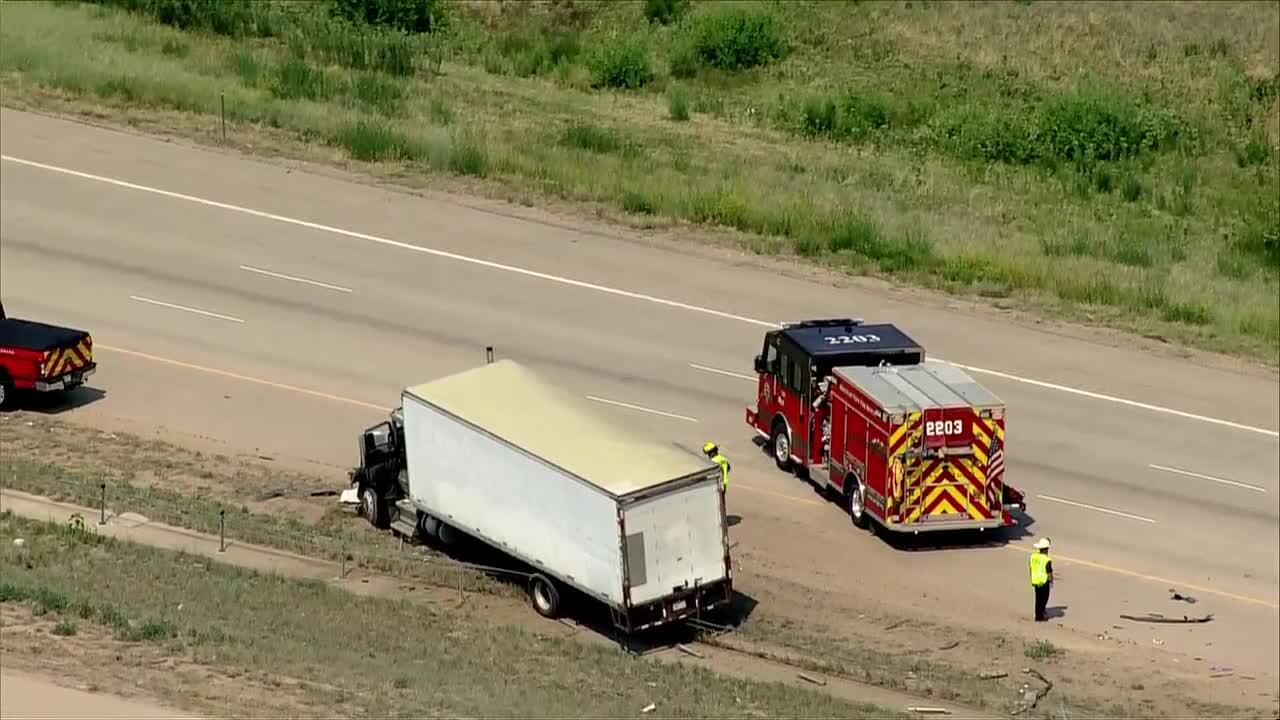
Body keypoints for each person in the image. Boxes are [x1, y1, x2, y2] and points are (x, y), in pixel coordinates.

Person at [1029, 537, 1054, 622]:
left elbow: (1031, 568)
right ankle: (1040, 616)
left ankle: (1038, 614)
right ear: (1047, 549)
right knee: (1044, 599)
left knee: (1038, 599)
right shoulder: (1047, 560)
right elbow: (1049, 572)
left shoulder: (1033, 557)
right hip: (1044, 582)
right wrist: (1051, 581)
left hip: (1035, 581)